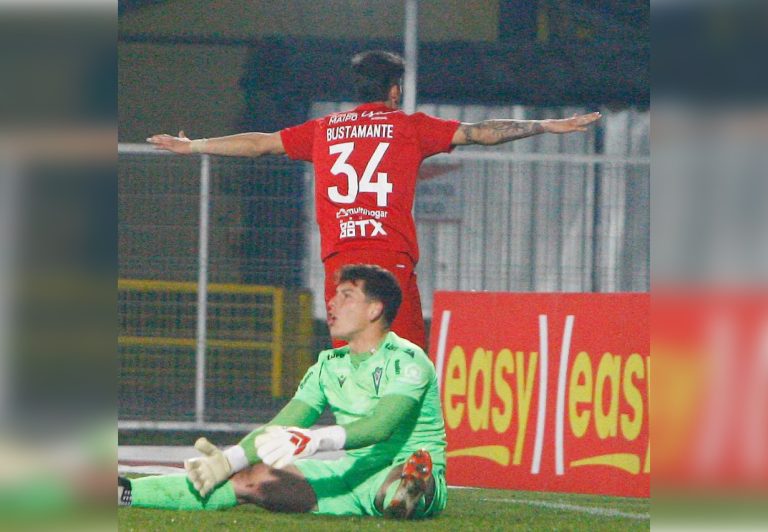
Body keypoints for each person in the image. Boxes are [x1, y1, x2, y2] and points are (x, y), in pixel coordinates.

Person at [147, 50, 601, 348]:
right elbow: (481, 134)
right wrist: (544, 125)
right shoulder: (408, 127)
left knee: (353, 369)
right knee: (406, 365)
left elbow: (259, 143)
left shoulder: (325, 131)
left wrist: (196, 145)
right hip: (389, 263)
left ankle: (357, 460)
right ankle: (406, 464)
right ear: (394, 91)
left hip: (340, 264)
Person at [119, 264, 447, 519]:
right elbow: (281, 424)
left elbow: (380, 426)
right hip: (348, 476)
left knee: (393, 485)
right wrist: (228, 461)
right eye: (334, 295)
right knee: (250, 478)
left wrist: (316, 439)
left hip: (401, 464)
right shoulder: (328, 365)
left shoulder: (409, 360)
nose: (331, 303)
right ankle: (126, 492)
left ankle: (408, 490)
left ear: (375, 309)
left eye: (346, 296)